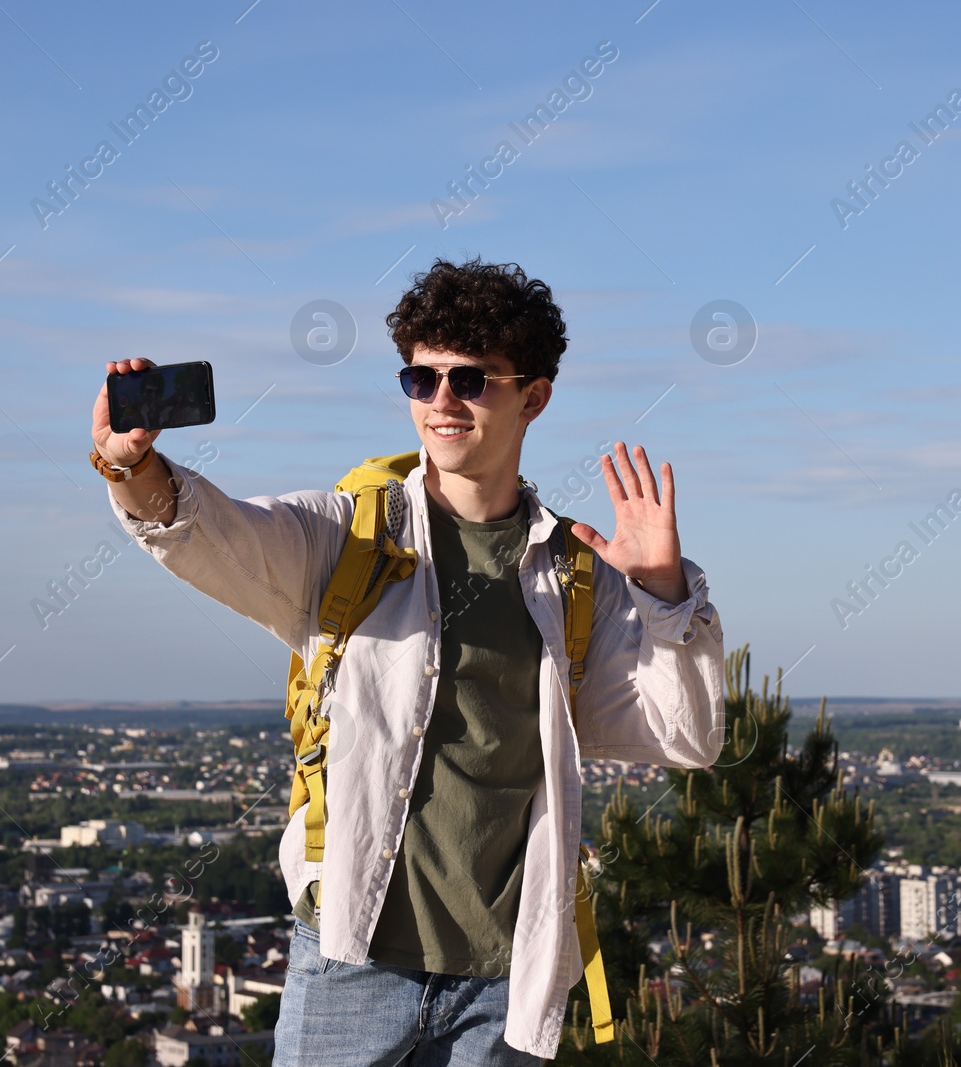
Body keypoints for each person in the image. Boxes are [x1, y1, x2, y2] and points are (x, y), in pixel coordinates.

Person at [87, 258, 724, 1064]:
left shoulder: (570, 573)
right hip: (351, 964)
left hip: (503, 982)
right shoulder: (350, 535)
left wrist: (666, 595)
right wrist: (133, 468)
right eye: (421, 378)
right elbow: (222, 537)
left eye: (470, 378)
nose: (441, 401)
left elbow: (689, 734)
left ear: (535, 394)